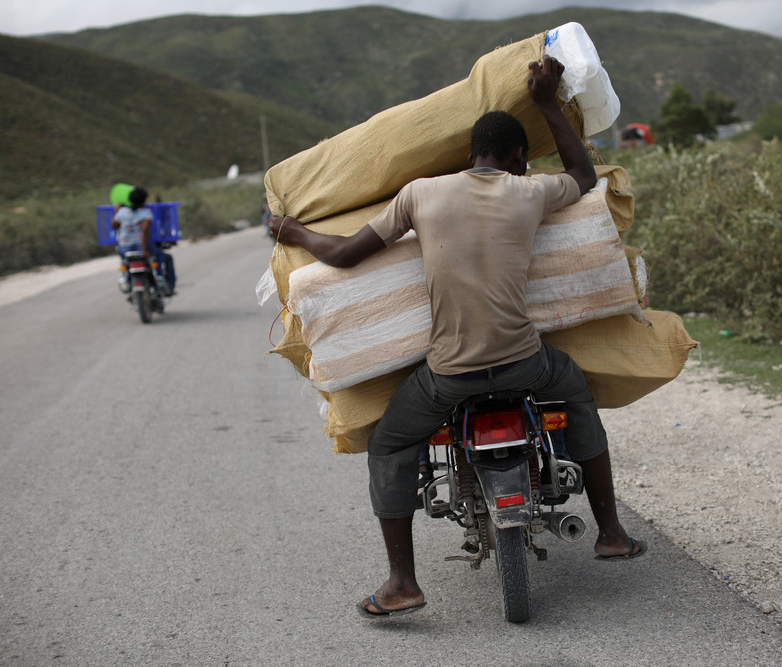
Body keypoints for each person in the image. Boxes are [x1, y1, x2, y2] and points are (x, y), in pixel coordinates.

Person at [268, 55, 645, 619]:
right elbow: (585, 177)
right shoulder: (531, 193)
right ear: (518, 159)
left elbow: (344, 255)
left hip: (449, 376)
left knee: (392, 442)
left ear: (471, 156)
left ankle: (401, 582)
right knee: (576, 392)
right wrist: (546, 101)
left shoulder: (421, 194)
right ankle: (611, 531)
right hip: (525, 364)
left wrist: (293, 231)